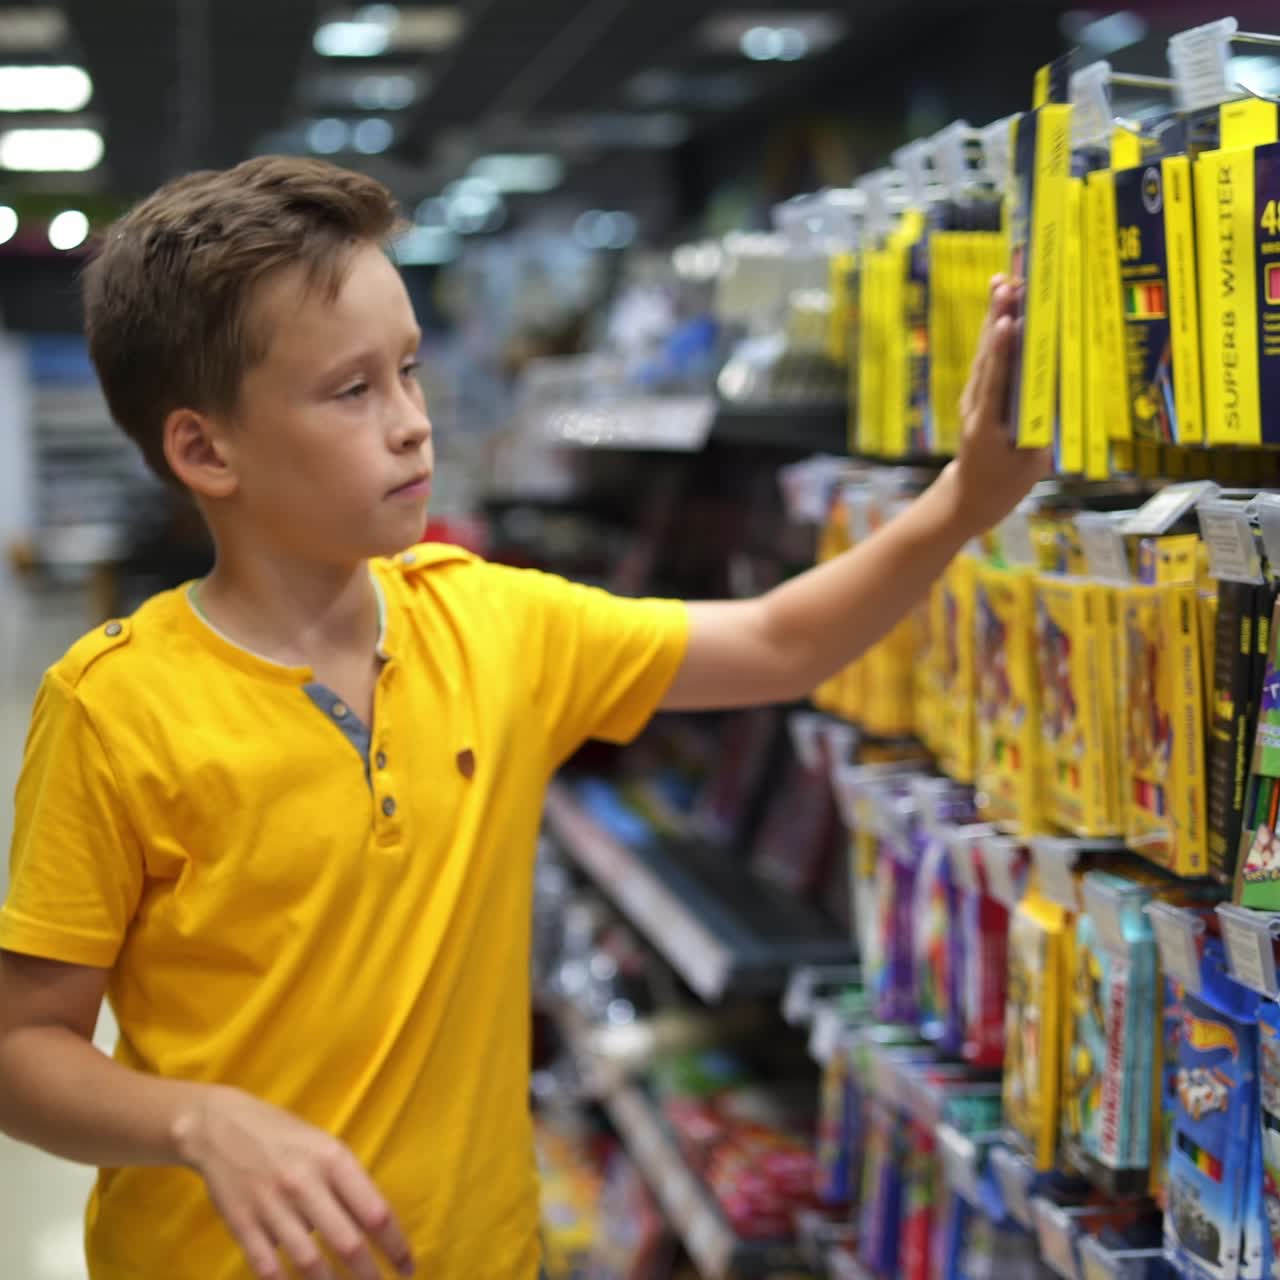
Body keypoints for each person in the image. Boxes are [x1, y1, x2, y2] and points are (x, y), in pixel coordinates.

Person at [0, 156, 1046, 1280]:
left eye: (407, 370)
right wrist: (197, 1122)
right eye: (352, 390)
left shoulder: (494, 624)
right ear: (206, 449)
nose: (411, 424)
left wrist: (965, 497)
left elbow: (781, 639)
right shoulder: (113, 709)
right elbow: (22, 1047)